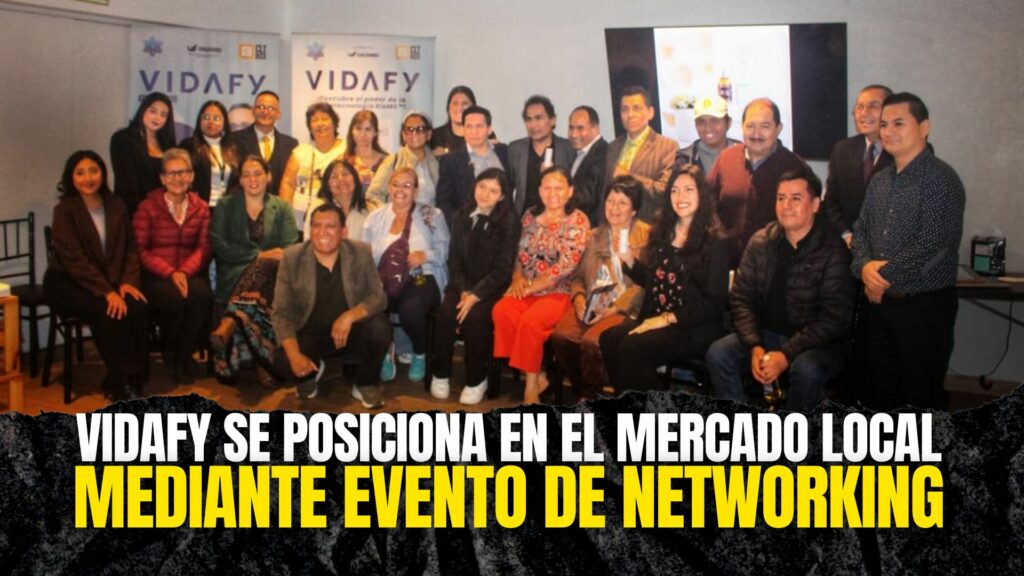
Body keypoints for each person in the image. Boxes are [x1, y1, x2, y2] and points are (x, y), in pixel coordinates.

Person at [851, 92, 965, 411]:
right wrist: (864, 268)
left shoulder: (941, 179)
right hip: (879, 307)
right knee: (881, 394)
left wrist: (878, 278)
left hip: (923, 309)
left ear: (924, 127)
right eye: (884, 124)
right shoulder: (880, 181)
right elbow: (860, 231)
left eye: (899, 123)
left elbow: (932, 246)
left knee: (921, 397)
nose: (888, 131)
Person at [706, 168, 853, 411]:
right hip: (766, 335)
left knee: (806, 370)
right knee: (719, 354)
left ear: (815, 204)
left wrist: (785, 355)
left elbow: (834, 319)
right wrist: (755, 345)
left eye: (796, 198)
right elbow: (741, 298)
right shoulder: (761, 241)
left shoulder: (833, 250)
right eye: (781, 198)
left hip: (816, 343)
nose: (786, 206)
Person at [599, 165, 729, 393]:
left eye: (688, 190)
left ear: (702, 195)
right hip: (655, 317)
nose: (680, 196)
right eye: (675, 190)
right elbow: (654, 281)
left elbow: (714, 303)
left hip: (690, 326)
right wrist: (629, 261)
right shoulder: (662, 231)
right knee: (609, 339)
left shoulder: (715, 241)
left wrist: (667, 319)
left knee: (632, 347)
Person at [44, 151, 149, 401]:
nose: (88, 178)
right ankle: (123, 383)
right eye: (80, 173)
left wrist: (128, 282)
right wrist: (108, 292)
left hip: (108, 278)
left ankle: (128, 376)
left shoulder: (116, 205)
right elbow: (74, 260)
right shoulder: (65, 210)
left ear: (103, 173)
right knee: (110, 311)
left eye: (93, 171)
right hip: (67, 282)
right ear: (70, 178)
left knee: (137, 306)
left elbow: (130, 248)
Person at [271, 203, 392, 407]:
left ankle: (365, 383)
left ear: (343, 231)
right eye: (317, 226)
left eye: (330, 226)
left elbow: (378, 297)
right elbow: (281, 314)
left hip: (349, 334)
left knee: (380, 328)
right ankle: (311, 373)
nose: (322, 232)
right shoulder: (292, 257)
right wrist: (294, 355)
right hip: (309, 334)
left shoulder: (360, 252)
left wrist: (349, 316)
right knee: (282, 360)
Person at [492, 166, 589, 404]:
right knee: (502, 311)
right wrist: (517, 278)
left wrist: (530, 286)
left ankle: (531, 388)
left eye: (559, 188)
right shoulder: (529, 215)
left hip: (559, 291)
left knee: (530, 323)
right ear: (539, 190)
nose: (552, 193)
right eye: (547, 187)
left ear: (570, 191)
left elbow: (566, 266)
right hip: (525, 286)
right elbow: (518, 253)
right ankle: (539, 375)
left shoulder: (578, 219)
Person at [551, 175, 650, 401]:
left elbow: (644, 286)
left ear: (634, 209)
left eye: (622, 203)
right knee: (561, 337)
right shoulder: (594, 235)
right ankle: (585, 391)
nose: (614, 208)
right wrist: (578, 298)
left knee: (591, 341)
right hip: (592, 303)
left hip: (624, 308)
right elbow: (578, 277)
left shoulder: (647, 236)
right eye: (610, 201)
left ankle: (588, 398)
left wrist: (614, 309)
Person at [430, 168, 520, 404]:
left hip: (491, 287)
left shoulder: (509, 220)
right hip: (462, 284)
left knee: (476, 319)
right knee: (446, 315)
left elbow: (503, 267)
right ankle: (441, 373)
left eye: (493, 191)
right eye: (482, 187)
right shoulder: (461, 214)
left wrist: (476, 295)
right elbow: (454, 260)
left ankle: (477, 379)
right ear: (475, 186)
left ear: (502, 196)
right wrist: (463, 291)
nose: (485, 194)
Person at [208, 155, 299, 381]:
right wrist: (259, 256)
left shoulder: (282, 208)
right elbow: (220, 246)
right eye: (246, 175)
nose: (252, 179)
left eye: (258, 173)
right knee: (263, 269)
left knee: (266, 269)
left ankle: (231, 321)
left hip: (274, 275)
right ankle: (263, 363)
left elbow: (289, 248)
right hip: (234, 274)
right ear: (240, 180)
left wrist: (265, 260)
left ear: (269, 177)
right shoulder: (226, 206)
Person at [363, 167, 450, 383]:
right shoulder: (375, 218)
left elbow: (445, 249)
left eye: (407, 185)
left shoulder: (432, 215)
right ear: (388, 188)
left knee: (411, 310)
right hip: (385, 277)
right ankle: (385, 350)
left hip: (422, 275)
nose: (400, 189)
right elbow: (365, 255)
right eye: (396, 184)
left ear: (416, 191)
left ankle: (420, 353)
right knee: (374, 306)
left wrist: (425, 255)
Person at [133, 148, 212, 384]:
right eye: (171, 173)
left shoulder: (201, 208)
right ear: (162, 178)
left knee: (201, 295)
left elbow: (204, 248)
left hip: (189, 271)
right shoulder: (147, 207)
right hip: (157, 273)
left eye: (183, 172)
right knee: (173, 299)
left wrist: (184, 272)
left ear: (192, 176)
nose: (178, 178)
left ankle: (183, 354)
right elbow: (139, 250)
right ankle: (171, 352)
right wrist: (170, 273)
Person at [708, 97, 809, 267]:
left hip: (776, 264)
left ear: (778, 129)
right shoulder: (726, 158)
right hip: (727, 262)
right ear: (742, 127)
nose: (756, 134)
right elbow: (707, 203)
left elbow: (808, 219)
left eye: (765, 126)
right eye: (750, 126)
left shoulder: (795, 167)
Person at [823, 85, 894, 247]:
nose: (864, 113)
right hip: (845, 245)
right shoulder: (842, 149)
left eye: (873, 106)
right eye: (859, 107)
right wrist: (846, 235)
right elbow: (831, 203)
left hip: (886, 250)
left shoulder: (902, 152)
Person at [604, 85, 678, 223]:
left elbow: (665, 191)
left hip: (650, 226)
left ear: (650, 112)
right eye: (625, 109)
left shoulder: (667, 146)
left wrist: (630, 176)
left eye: (636, 108)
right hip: (616, 227)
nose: (630, 115)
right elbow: (605, 192)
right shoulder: (613, 147)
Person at [279, 102, 346, 234]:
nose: (320, 124)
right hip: (298, 221)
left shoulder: (346, 149)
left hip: (333, 220)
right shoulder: (300, 151)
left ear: (334, 123)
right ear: (309, 127)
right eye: (314, 120)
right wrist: (287, 217)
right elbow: (287, 183)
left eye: (325, 118)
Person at [436, 105, 510, 223]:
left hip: (504, 226)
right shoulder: (450, 161)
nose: (474, 132)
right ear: (463, 130)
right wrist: (458, 227)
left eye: (479, 126)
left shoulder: (504, 151)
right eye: (469, 126)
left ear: (489, 129)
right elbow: (443, 202)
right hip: (468, 227)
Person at [110, 92, 177, 214]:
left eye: (163, 115)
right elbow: (127, 185)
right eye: (153, 111)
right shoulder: (123, 139)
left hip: (164, 213)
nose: (157, 118)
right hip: (132, 211)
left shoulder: (168, 144)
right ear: (142, 110)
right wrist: (146, 212)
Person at [507, 95, 575, 215]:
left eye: (538, 118)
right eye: (528, 119)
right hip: (523, 219)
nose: (533, 125)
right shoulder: (515, 149)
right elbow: (507, 188)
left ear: (552, 120)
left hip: (560, 218)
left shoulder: (568, 148)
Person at [366, 111, 439, 209]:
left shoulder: (437, 162)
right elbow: (372, 195)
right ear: (403, 135)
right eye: (409, 129)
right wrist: (390, 215)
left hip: (432, 218)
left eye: (420, 129)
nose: (414, 133)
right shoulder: (393, 161)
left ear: (429, 134)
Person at [234, 91, 299, 197]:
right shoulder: (235, 139)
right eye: (261, 107)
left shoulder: (291, 144)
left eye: (271, 108)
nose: (265, 112)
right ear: (253, 110)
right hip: (244, 203)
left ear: (278, 114)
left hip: (278, 204)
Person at [179, 100, 239, 208]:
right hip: (198, 208)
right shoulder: (188, 146)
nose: (211, 122)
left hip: (227, 208)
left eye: (216, 118)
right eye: (206, 117)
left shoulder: (232, 147)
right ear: (200, 120)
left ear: (224, 123)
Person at [304, 158, 370, 241]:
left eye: (345, 174)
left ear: (355, 179)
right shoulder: (318, 208)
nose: (341, 179)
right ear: (327, 185)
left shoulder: (369, 210)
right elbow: (309, 240)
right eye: (334, 177)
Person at [675, 95, 740, 175]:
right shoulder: (685, 159)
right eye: (701, 122)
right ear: (695, 125)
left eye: (714, 121)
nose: (708, 128)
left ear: (728, 123)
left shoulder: (744, 154)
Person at [567, 105, 609, 225]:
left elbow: (588, 197)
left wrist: (558, 197)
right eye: (571, 128)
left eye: (580, 128)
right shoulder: (579, 152)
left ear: (595, 129)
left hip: (591, 227)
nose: (574, 134)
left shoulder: (603, 153)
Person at [430, 85, 496, 156]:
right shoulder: (435, 136)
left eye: (464, 103)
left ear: (473, 107)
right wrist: (432, 156)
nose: (459, 108)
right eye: (455, 103)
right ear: (448, 108)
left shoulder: (485, 134)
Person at [342, 109, 389, 189]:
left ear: (375, 133)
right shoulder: (343, 161)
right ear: (351, 131)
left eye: (368, 129)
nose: (362, 134)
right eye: (358, 129)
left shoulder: (387, 161)